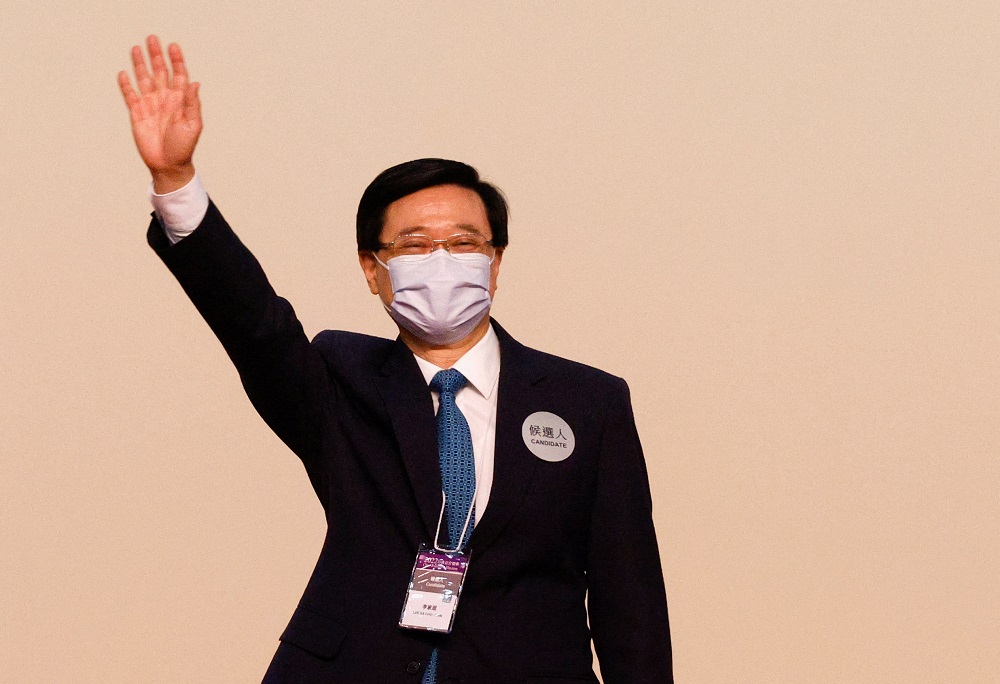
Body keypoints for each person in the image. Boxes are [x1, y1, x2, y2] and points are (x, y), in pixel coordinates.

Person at [118, 35, 673, 684]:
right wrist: (176, 181)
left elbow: (630, 600)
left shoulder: (588, 403)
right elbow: (254, 324)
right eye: (414, 245)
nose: (441, 261)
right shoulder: (340, 381)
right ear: (372, 269)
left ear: (495, 263)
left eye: (463, 242)